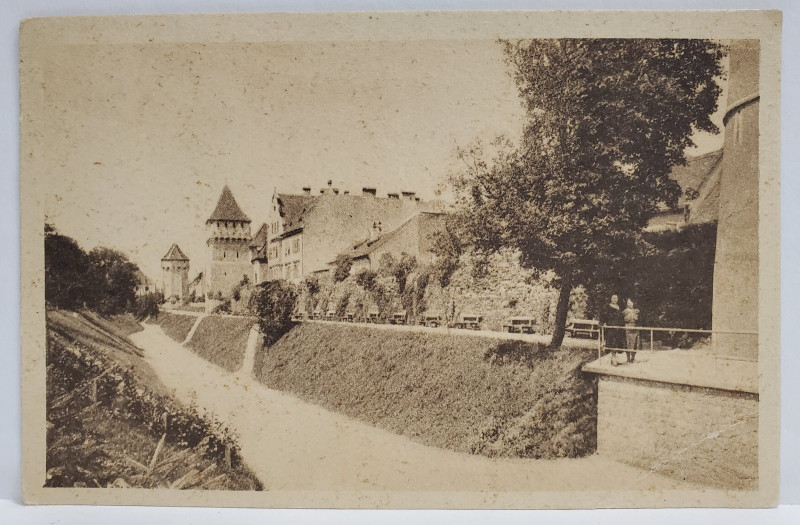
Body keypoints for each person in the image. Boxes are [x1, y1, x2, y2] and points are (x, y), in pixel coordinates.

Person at [600, 294, 626, 365]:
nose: (615, 299)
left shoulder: (619, 307)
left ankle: (615, 359)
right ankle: (613, 359)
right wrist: (603, 323)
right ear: (611, 299)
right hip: (611, 328)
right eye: (613, 298)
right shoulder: (607, 307)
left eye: (616, 298)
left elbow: (621, 318)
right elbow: (603, 316)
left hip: (618, 328)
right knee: (612, 343)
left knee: (617, 343)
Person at [623, 298, 640, 364]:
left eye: (631, 303)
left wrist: (635, 314)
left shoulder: (636, 311)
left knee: (635, 342)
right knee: (628, 343)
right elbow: (626, 319)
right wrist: (631, 314)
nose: (630, 304)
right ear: (627, 304)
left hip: (635, 327)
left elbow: (637, 319)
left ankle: (633, 357)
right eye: (628, 303)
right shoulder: (625, 311)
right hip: (628, 327)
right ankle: (628, 359)